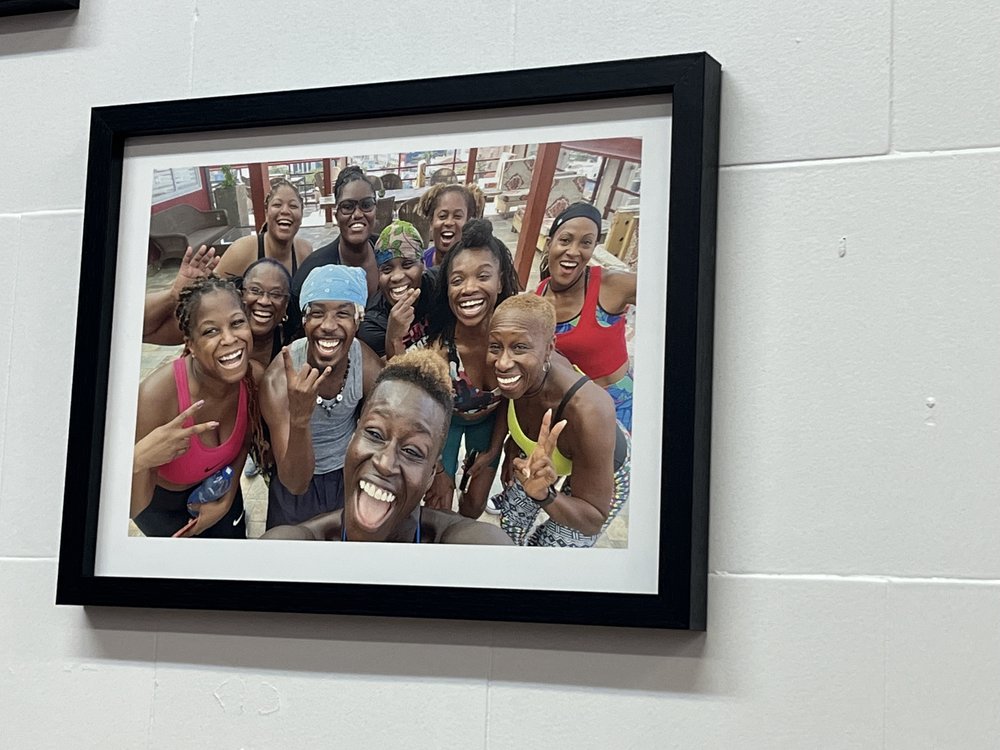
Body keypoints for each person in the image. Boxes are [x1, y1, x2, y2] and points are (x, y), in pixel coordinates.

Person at [262, 350, 512, 544]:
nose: (384, 462)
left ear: (431, 475)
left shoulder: (457, 547)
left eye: (412, 451)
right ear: (353, 438)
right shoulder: (299, 546)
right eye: (374, 434)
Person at [486, 293, 631, 547]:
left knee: (551, 547)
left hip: (605, 464)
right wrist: (508, 445)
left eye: (519, 347)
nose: (503, 362)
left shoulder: (589, 411)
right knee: (510, 525)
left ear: (549, 349)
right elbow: (508, 403)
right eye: (495, 346)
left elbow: (592, 517)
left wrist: (546, 495)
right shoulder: (521, 375)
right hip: (544, 458)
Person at [131, 276, 262, 538]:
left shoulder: (253, 378)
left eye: (237, 323)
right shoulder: (156, 397)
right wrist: (139, 459)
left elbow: (244, 441)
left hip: (219, 491)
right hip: (164, 510)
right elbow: (132, 507)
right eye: (210, 331)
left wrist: (226, 500)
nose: (229, 339)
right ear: (189, 343)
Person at [259, 265, 383, 528]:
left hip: (348, 478)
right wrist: (300, 419)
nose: (328, 325)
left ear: (358, 321)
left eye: (343, 314)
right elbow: (295, 482)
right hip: (296, 486)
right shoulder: (278, 380)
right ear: (304, 320)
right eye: (317, 313)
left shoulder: (366, 365)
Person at [423, 218, 520, 517]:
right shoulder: (440, 350)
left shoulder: (513, 341)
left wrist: (495, 450)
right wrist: (438, 468)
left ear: (501, 281)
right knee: (438, 504)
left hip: (490, 424)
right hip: (446, 423)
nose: (469, 289)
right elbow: (428, 412)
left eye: (483, 276)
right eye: (457, 280)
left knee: (474, 505)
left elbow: (510, 400)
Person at [535, 202, 637, 432]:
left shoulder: (610, 285)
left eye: (586, 243)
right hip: (573, 412)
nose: (573, 251)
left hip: (620, 411)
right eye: (565, 240)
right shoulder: (538, 297)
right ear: (549, 244)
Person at [292, 165, 379, 309]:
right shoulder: (314, 268)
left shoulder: (387, 251)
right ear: (336, 215)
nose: (357, 214)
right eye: (347, 206)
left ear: (376, 210)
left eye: (366, 204)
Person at [357, 220, 437, 359]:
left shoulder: (439, 287)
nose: (397, 276)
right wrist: (393, 337)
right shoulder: (373, 324)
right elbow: (390, 377)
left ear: (423, 265)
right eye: (387, 269)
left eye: (407, 265)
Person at [214, 178, 313, 282]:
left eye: (293, 206)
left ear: (301, 216)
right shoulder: (242, 250)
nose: (285, 211)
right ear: (266, 213)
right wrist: (197, 279)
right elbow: (212, 289)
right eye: (277, 205)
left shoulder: (304, 251)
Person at [416, 182, 485, 268]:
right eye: (442, 216)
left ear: (469, 223)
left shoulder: (476, 268)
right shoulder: (422, 264)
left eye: (457, 216)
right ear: (431, 222)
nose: (449, 222)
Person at [242, 258, 292, 367]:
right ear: (242, 294)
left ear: (286, 305)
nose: (264, 301)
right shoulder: (225, 338)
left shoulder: (293, 347)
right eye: (255, 291)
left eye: (276, 294)